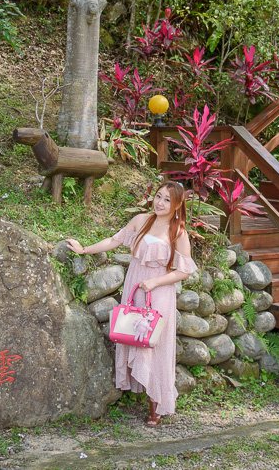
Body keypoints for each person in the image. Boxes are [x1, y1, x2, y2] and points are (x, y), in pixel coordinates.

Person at [66, 181, 196, 426]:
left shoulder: (178, 232)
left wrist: (156, 282)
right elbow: (114, 241)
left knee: (153, 342)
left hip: (159, 291)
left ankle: (156, 404)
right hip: (135, 285)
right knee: (133, 335)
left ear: (177, 204)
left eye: (167, 200)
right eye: (158, 196)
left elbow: (184, 271)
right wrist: (84, 250)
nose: (160, 203)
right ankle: (142, 391)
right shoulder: (141, 220)